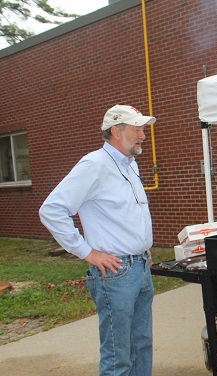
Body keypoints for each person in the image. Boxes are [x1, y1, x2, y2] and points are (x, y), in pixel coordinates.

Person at [39, 105, 156, 376]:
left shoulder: (130, 164)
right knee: (118, 358)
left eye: (143, 129)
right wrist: (86, 252)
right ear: (116, 131)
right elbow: (52, 210)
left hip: (139, 267)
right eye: (136, 129)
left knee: (142, 345)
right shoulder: (94, 164)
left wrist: (144, 248)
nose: (143, 135)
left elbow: (126, 213)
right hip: (116, 274)